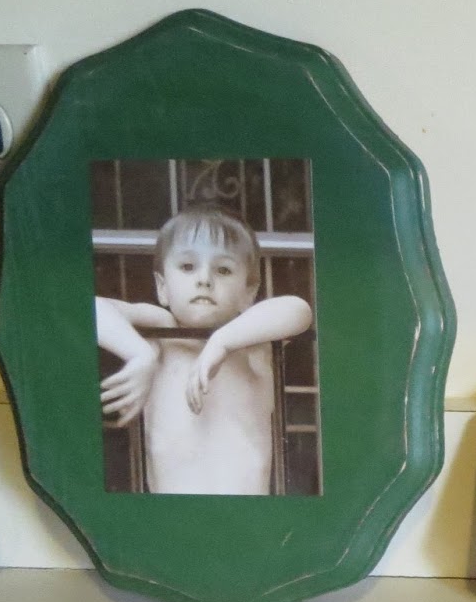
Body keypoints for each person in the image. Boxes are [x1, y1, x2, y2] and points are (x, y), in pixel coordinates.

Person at [95, 205, 313, 495]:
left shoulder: (252, 344)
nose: (204, 279)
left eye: (223, 270)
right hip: (172, 512)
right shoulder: (162, 331)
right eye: (188, 267)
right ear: (162, 287)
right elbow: (92, 308)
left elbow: (299, 310)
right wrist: (138, 353)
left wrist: (222, 342)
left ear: (248, 293)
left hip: (247, 511)